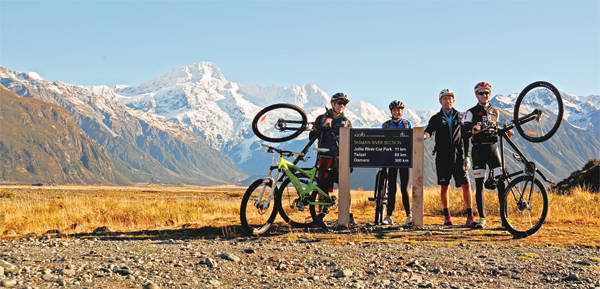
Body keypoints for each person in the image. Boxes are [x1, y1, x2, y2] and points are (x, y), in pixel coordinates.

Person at [463, 82, 514, 229]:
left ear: (490, 94)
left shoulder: (495, 111)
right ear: (476, 95)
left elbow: (496, 129)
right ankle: (482, 218)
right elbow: (464, 133)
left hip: (493, 150)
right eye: (481, 93)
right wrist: (474, 130)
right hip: (478, 151)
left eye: (487, 93)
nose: (484, 95)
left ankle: (505, 218)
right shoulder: (471, 112)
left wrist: (506, 132)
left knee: (501, 183)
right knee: (479, 185)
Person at [424, 89, 477, 226]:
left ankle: (470, 216)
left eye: (450, 98)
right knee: (444, 186)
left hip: (459, 157)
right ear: (440, 101)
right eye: (445, 99)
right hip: (442, 157)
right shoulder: (435, 118)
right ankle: (447, 216)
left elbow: (466, 137)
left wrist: (467, 156)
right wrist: (424, 136)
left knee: (466, 185)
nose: (448, 101)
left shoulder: (461, 116)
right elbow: (428, 131)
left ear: (454, 100)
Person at [312, 92, 354, 223]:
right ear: (332, 104)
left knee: (344, 187)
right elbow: (312, 137)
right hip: (325, 157)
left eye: (344, 104)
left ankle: (348, 215)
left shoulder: (347, 122)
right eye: (339, 103)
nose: (342, 106)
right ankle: (320, 215)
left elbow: (351, 142)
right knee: (322, 188)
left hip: (341, 158)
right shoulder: (321, 118)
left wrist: (350, 161)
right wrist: (322, 127)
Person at [381, 100, 412, 226]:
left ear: (402, 111)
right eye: (394, 110)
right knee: (391, 188)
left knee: (404, 188)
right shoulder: (386, 125)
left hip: (404, 159)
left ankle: (409, 216)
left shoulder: (407, 124)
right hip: (391, 159)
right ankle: (388, 216)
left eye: (399, 110)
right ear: (391, 112)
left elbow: (411, 139)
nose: (397, 112)